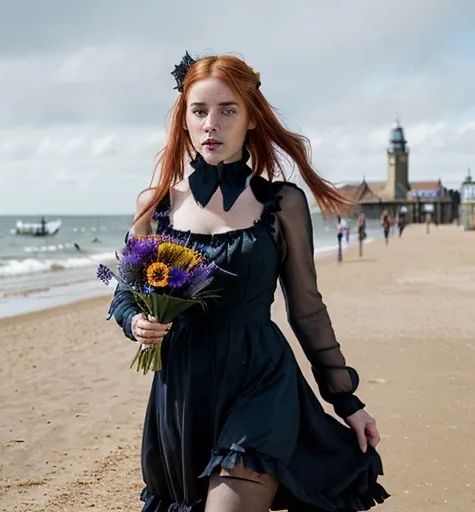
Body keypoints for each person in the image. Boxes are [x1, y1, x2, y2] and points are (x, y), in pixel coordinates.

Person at [107, 52, 389, 512]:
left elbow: (307, 309)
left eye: (228, 110)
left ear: (251, 118)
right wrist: (137, 321)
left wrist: (346, 400)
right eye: (199, 112)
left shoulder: (282, 204)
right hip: (183, 390)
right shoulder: (155, 207)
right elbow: (125, 291)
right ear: (184, 121)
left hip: (261, 380)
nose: (211, 124)